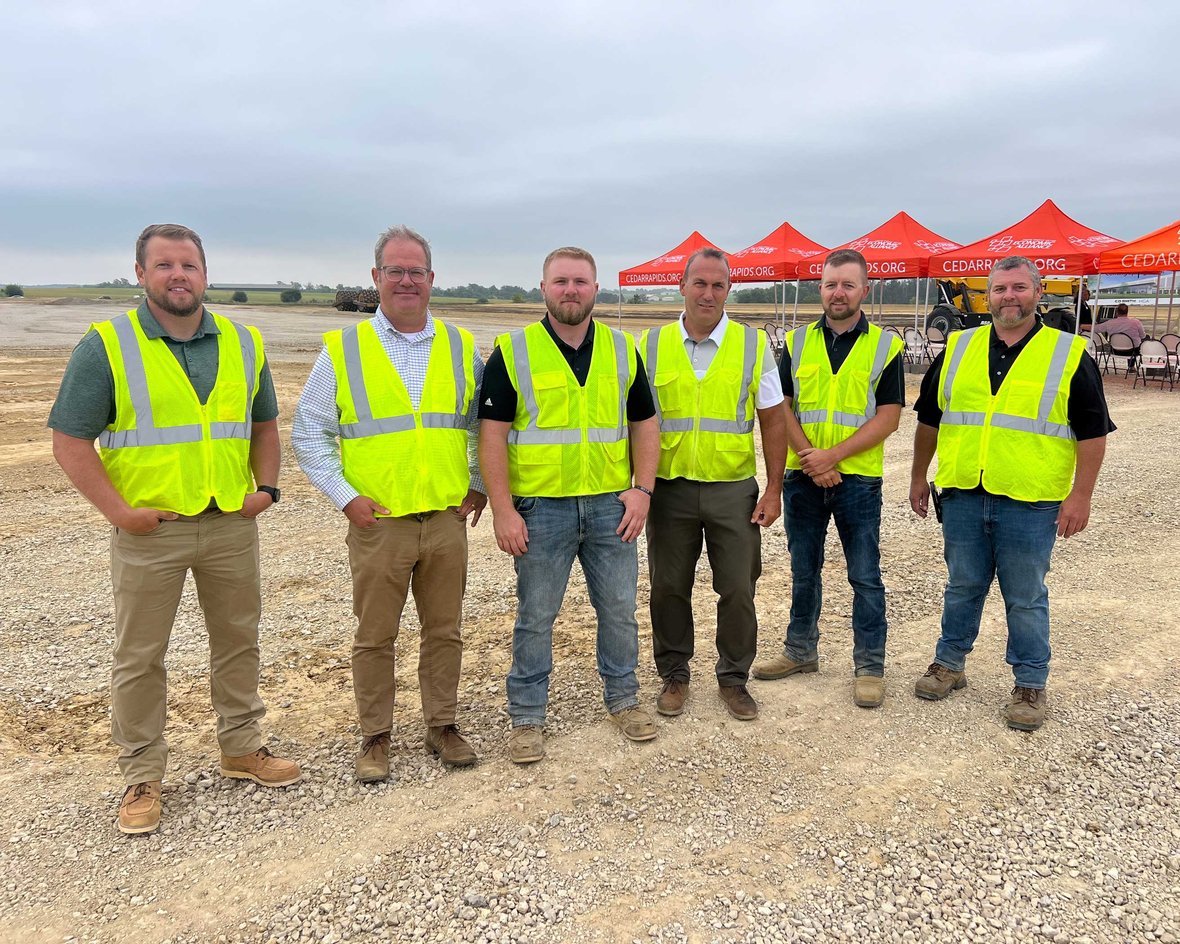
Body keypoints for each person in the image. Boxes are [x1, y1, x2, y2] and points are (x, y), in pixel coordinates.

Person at [49, 224, 300, 835]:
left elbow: (264, 425)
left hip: (229, 524)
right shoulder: (107, 345)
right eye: (164, 265)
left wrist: (265, 490)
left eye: (188, 264)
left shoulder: (243, 343)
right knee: (140, 656)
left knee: (238, 641)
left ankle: (242, 747)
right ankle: (142, 773)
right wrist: (118, 512)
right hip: (149, 530)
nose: (178, 275)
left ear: (205, 274)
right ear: (140, 274)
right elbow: (69, 440)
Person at [292, 225, 486, 781]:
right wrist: (346, 498)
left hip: (446, 521)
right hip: (380, 525)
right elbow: (309, 432)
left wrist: (476, 484)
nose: (406, 280)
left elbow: (476, 425)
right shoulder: (344, 349)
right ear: (375, 278)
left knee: (444, 631)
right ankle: (375, 737)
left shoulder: (461, 346)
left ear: (431, 280)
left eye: (416, 271)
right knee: (375, 636)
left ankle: (442, 725)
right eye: (395, 271)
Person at [909, 255, 1113, 731]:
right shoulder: (958, 348)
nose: (1008, 297)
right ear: (988, 294)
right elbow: (929, 419)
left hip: (1030, 498)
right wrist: (919, 476)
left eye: (1019, 288)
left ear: (1038, 294)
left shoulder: (1067, 354)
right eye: (1000, 289)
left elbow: (1093, 432)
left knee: (1024, 596)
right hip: (963, 492)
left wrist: (1080, 496)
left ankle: (1029, 684)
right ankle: (949, 664)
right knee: (962, 586)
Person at [479, 246, 660, 764]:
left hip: (611, 507)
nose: (571, 290)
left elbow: (645, 423)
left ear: (595, 289)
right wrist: (503, 509)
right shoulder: (513, 351)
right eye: (560, 281)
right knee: (536, 616)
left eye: (580, 281)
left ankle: (624, 699)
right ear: (543, 289)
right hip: (541, 510)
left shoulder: (623, 349)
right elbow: (491, 436)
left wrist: (642, 490)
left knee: (620, 611)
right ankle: (528, 716)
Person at [752, 249, 904, 709]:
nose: (838, 293)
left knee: (864, 575)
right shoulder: (796, 344)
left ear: (865, 290)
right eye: (830, 284)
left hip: (858, 480)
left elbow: (890, 416)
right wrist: (809, 458)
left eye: (848, 285)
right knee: (803, 570)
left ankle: (870, 665)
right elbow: (782, 408)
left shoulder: (885, 346)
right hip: (803, 479)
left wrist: (832, 457)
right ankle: (800, 651)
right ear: (820, 288)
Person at [640, 248, 787, 722]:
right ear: (681, 286)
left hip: (732, 490)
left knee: (739, 589)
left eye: (718, 285)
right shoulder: (651, 345)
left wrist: (772, 489)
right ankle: (675, 675)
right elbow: (635, 421)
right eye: (699, 284)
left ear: (729, 290)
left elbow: (772, 419)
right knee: (668, 587)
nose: (708, 293)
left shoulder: (752, 346)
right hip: (669, 489)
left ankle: (733, 679)